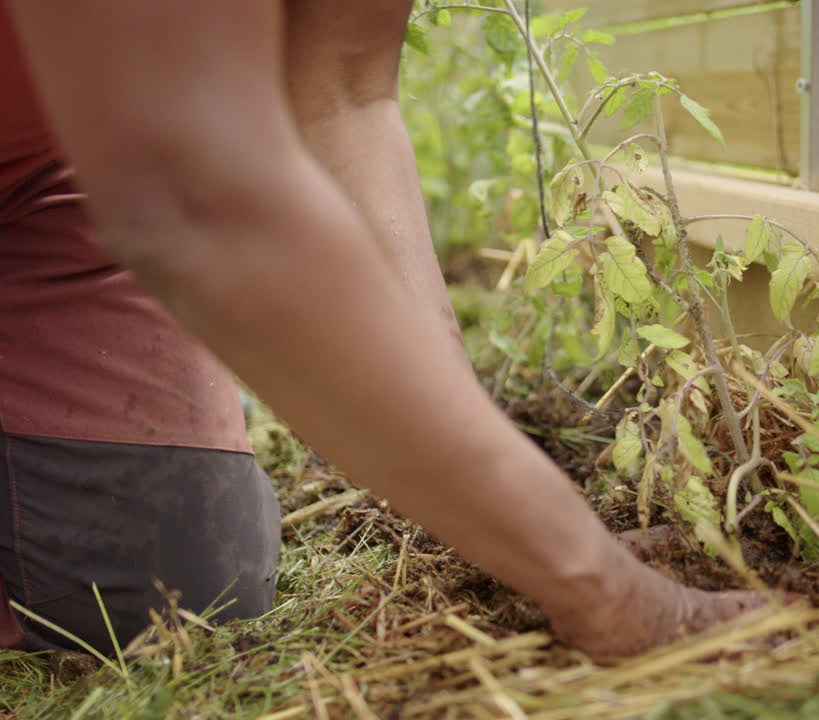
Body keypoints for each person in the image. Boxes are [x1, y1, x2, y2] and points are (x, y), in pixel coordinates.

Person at [0, 0, 765, 661]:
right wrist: (594, 580)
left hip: (42, 167)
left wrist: (503, 515)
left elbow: (343, 98)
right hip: (111, 154)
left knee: (173, 586)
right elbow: (192, 201)